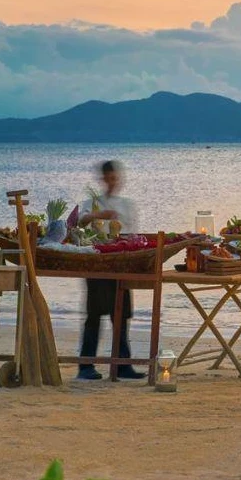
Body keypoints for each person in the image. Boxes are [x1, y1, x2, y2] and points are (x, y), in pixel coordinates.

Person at [76, 160, 145, 380]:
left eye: (116, 178)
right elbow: (79, 222)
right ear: (103, 179)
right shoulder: (91, 203)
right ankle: (86, 366)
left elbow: (133, 232)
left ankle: (122, 365)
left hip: (121, 261)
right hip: (97, 262)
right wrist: (99, 215)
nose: (113, 182)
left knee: (121, 316)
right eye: (109, 178)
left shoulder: (127, 204)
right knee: (94, 315)